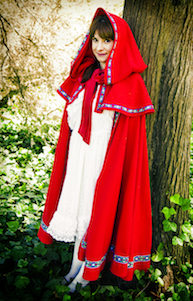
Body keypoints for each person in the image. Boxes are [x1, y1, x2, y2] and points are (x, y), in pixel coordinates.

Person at [38, 7, 155, 293]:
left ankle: (86, 272)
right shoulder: (87, 75)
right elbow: (72, 121)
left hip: (104, 161)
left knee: (93, 213)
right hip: (80, 155)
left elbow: (127, 138)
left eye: (107, 40)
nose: (100, 47)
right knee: (79, 209)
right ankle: (75, 266)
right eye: (96, 40)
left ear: (119, 43)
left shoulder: (130, 83)